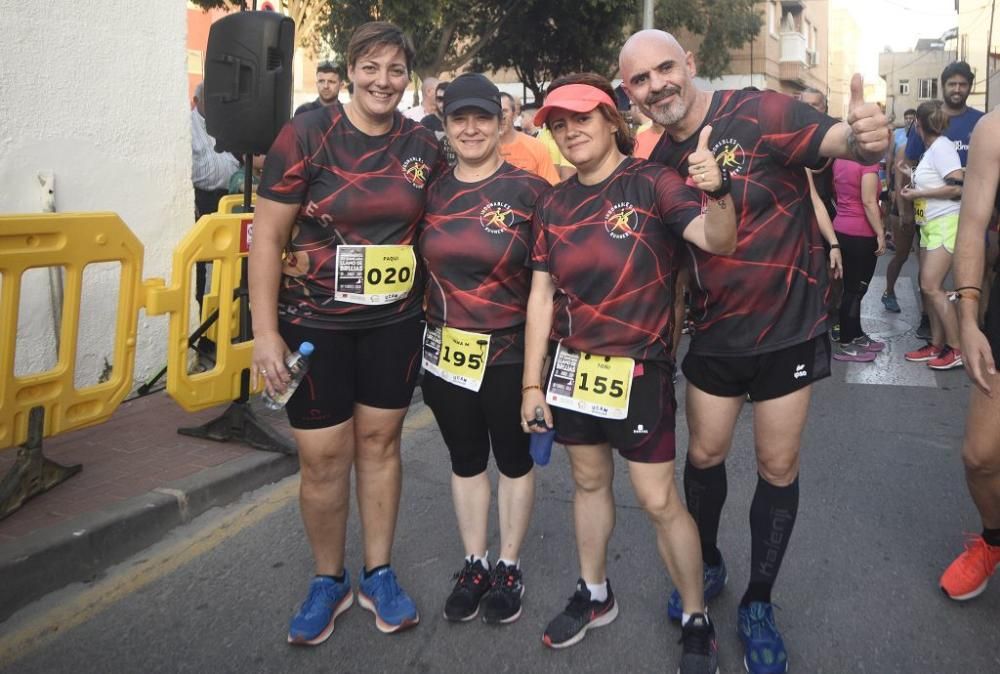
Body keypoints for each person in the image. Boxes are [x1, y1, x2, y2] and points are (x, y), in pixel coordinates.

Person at [619, 29, 889, 673]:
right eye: (641, 80)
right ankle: (706, 560)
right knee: (706, 455)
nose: (658, 86)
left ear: (690, 63)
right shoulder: (652, 157)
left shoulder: (759, 108)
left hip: (788, 329)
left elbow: (838, 142)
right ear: (628, 91)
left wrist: (864, 135)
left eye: (665, 69)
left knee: (776, 466)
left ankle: (759, 601)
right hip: (714, 334)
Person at [521, 72, 737, 673]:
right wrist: (532, 384)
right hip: (571, 372)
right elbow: (541, 298)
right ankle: (595, 594)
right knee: (588, 484)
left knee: (658, 498)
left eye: (582, 118)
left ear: (612, 120)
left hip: (638, 373)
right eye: (558, 124)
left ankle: (696, 617)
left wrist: (717, 191)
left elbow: (716, 239)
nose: (570, 132)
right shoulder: (554, 202)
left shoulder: (653, 184)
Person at [248, 21, 444, 646]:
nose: (382, 81)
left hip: (393, 323)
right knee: (323, 457)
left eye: (394, 70)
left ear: (406, 76)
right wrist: (263, 333)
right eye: (370, 68)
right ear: (350, 70)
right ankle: (328, 580)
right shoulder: (308, 133)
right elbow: (268, 238)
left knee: (382, 446)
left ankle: (378, 572)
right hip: (313, 326)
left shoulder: (423, 143)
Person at [417, 73, 551, 625]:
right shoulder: (431, 190)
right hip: (444, 353)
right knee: (466, 460)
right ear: (446, 126)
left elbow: (551, 283)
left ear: (502, 124)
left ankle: (509, 565)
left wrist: (538, 377)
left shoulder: (531, 192)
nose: (470, 129)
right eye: (459, 119)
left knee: (514, 462)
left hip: (511, 354)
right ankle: (474, 562)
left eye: (482, 118)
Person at [939, 109, 1000, 600]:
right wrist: (967, 313)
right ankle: (993, 540)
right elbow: (973, 222)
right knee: (980, 456)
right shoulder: (994, 128)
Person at [900, 100, 965, 370]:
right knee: (928, 289)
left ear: (918, 124)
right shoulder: (933, 150)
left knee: (931, 286)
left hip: (944, 224)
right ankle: (936, 345)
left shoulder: (942, 148)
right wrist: (912, 175)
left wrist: (917, 192)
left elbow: (957, 186)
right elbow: (938, 181)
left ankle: (957, 348)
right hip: (929, 223)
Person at [191, 81, 240, 349]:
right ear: (198, 102)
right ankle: (202, 332)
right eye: (211, 99)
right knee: (203, 269)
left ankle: (224, 328)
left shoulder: (225, 125)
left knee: (225, 269)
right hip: (202, 203)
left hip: (228, 201)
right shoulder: (188, 126)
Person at [829, 157, 887, 362]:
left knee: (852, 290)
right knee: (855, 291)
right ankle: (846, 343)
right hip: (861, 232)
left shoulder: (839, 159)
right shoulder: (868, 163)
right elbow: (869, 201)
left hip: (841, 228)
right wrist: (880, 233)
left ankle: (856, 334)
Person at [882, 108, 917, 313]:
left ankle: (927, 306)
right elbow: (897, 178)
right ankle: (889, 291)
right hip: (903, 207)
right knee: (902, 254)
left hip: (926, 209)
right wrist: (904, 210)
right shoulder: (904, 148)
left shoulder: (935, 149)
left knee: (926, 257)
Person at [499, 92, 560, 184]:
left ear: (515, 113)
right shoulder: (482, 150)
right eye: (495, 112)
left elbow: (551, 188)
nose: (500, 117)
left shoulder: (536, 147)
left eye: (504, 111)